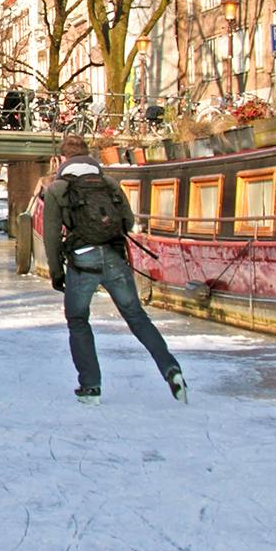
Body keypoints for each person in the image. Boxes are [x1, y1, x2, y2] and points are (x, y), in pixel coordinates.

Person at [42, 136, 185, 405]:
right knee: (136, 316)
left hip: (82, 262)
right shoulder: (109, 183)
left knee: (78, 319)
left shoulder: (57, 189)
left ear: (63, 159)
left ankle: (91, 386)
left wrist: (56, 272)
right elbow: (128, 222)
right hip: (114, 257)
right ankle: (171, 369)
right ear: (88, 156)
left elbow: (50, 235)